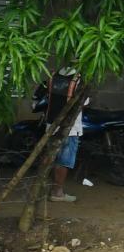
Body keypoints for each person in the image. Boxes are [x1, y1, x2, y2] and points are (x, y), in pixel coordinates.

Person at [45, 66, 87, 202]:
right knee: (64, 161)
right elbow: (84, 102)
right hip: (70, 126)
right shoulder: (78, 78)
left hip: (51, 124)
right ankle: (57, 192)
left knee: (52, 157)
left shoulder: (54, 74)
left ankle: (49, 189)